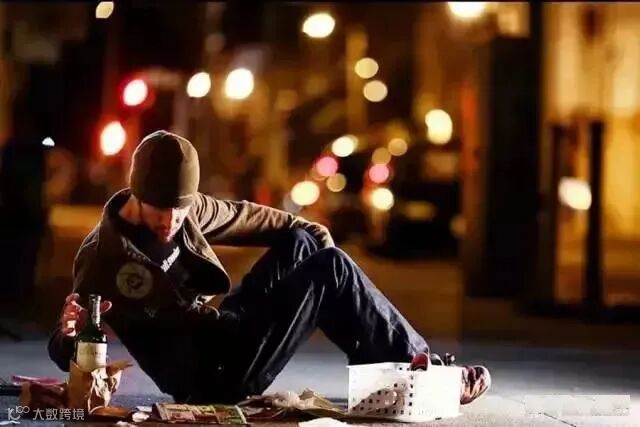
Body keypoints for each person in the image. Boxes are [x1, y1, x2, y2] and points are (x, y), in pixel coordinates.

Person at [47, 130, 490, 404]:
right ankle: (427, 374)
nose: (170, 222)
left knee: (303, 243)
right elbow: (66, 350)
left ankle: (394, 368)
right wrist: (68, 334)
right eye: (159, 212)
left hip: (225, 334)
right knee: (332, 268)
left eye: (179, 212)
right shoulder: (102, 255)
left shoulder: (191, 210)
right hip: (208, 376)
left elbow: (256, 218)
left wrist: (316, 241)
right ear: (136, 196)